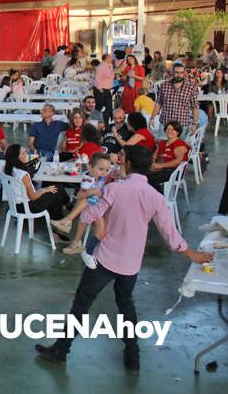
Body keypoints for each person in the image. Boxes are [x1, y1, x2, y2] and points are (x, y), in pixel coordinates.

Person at [35, 146, 213, 372]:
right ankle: (133, 358)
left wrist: (94, 198)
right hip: (131, 263)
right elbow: (170, 234)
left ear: (127, 164)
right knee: (126, 305)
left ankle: (61, 350)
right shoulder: (155, 197)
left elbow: (89, 215)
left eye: (121, 160)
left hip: (105, 259)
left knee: (82, 303)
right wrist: (192, 255)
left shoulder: (114, 189)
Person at [55, 153, 112, 255]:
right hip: (94, 207)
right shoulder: (88, 178)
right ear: (90, 166)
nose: (104, 173)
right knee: (85, 202)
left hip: (103, 207)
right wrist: (92, 192)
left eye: (107, 170)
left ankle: (68, 221)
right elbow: (80, 195)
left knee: (85, 205)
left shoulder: (105, 178)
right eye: (101, 169)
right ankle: (75, 237)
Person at [4, 144, 69, 221]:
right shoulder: (23, 174)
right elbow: (33, 197)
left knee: (55, 189)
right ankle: (60, 219)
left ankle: (61, 216)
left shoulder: (6, 170)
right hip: (27, 207)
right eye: (23, 153)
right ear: (16, 158)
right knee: (58, 190)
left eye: (25, 152)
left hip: (14, 206)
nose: (26, 155)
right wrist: (44, 190)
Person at [151, 63, 199, 133]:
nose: (179, 75)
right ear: (172, 72)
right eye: (177, 73)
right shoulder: (164, 85)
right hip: (166, 122)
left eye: (181, 73)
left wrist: (194, 124)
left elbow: (195, 106)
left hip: (182, 124)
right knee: (161, 143)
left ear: (184, 73)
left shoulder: (191, 87)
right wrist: (152, 118)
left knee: (180, 144)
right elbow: (159, 103)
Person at [148, 121, 190, 190]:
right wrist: (152, 164)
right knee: (141, 175)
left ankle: (159, 197)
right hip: (160, 167)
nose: (169, 131)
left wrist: (161, 166)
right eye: (168, 129)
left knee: (150, 178)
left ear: (177, 132)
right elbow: (154, 156)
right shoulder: (162, 143)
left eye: (173, 130)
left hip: (173, 171)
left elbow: (178, 161)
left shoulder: (180, 144)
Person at [93, 53, 114, 122]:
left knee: (109, 107)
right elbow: (97, 78)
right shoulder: (101, 66)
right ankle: (95, 121)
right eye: (110, 57)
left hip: (107, 89)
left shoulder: (110, 65)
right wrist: (100, 89)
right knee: (99, 107)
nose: (112, 58)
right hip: (101, 89)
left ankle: (107, 122)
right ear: (107, 58)